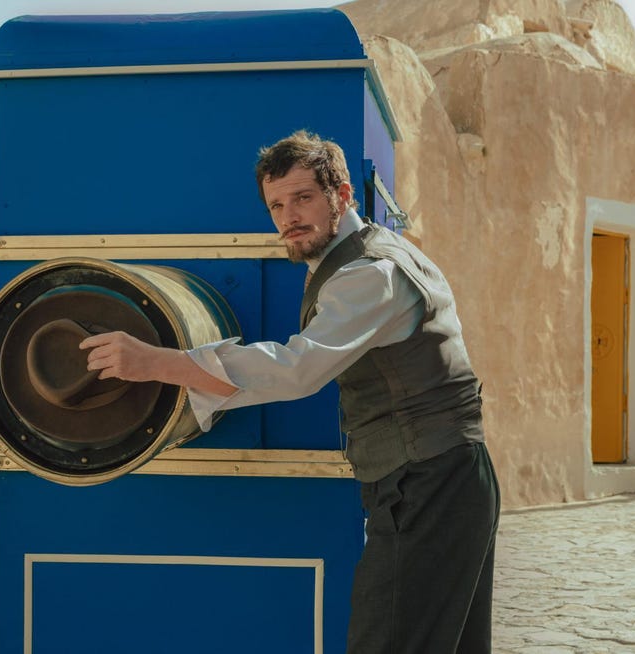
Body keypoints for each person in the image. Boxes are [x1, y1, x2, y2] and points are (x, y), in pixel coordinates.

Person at [81, 130, 500, 653]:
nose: (288, 217)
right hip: (440, 477)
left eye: (302, 198)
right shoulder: (357, 260)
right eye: (276, 204)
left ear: (342, 195)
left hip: (430, 482)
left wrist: (157, 362)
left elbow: (297, 369)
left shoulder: (371, 273)